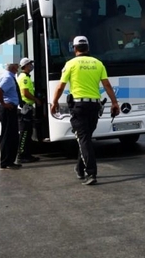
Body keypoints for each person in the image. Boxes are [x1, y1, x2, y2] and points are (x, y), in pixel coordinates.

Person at [50, 35, 120, 185]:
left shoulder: (70, 64)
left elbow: (61, 86)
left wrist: (54, 102)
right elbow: (107, 85)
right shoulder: (98, 63)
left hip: (79, 107)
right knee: (86, 138)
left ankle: (91, 173)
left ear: (74, 48)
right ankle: (79, 168)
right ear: (88, 48)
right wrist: (115, 103)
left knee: (83, 139)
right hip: (94, 107)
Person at [0, 61, 21, 170]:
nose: (18, 67)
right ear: (13, 67)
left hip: (8, 109)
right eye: (17, 66)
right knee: (9, 136)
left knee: (10, 135)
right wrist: (3, 103)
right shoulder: (8, 78)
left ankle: (8, 161)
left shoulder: (7, 76)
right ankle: (7, 161)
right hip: (8, 110)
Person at [16, 57, 43, 164]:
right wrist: (36, 100)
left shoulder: (24, 77)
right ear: (26, 66)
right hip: (24, 109)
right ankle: (21, 155)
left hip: (27, 108)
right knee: (24, 133)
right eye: (30, 64)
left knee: (28, 132)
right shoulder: (24, 78)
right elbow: (25, 92)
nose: (32, 65)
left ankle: (27, 154)